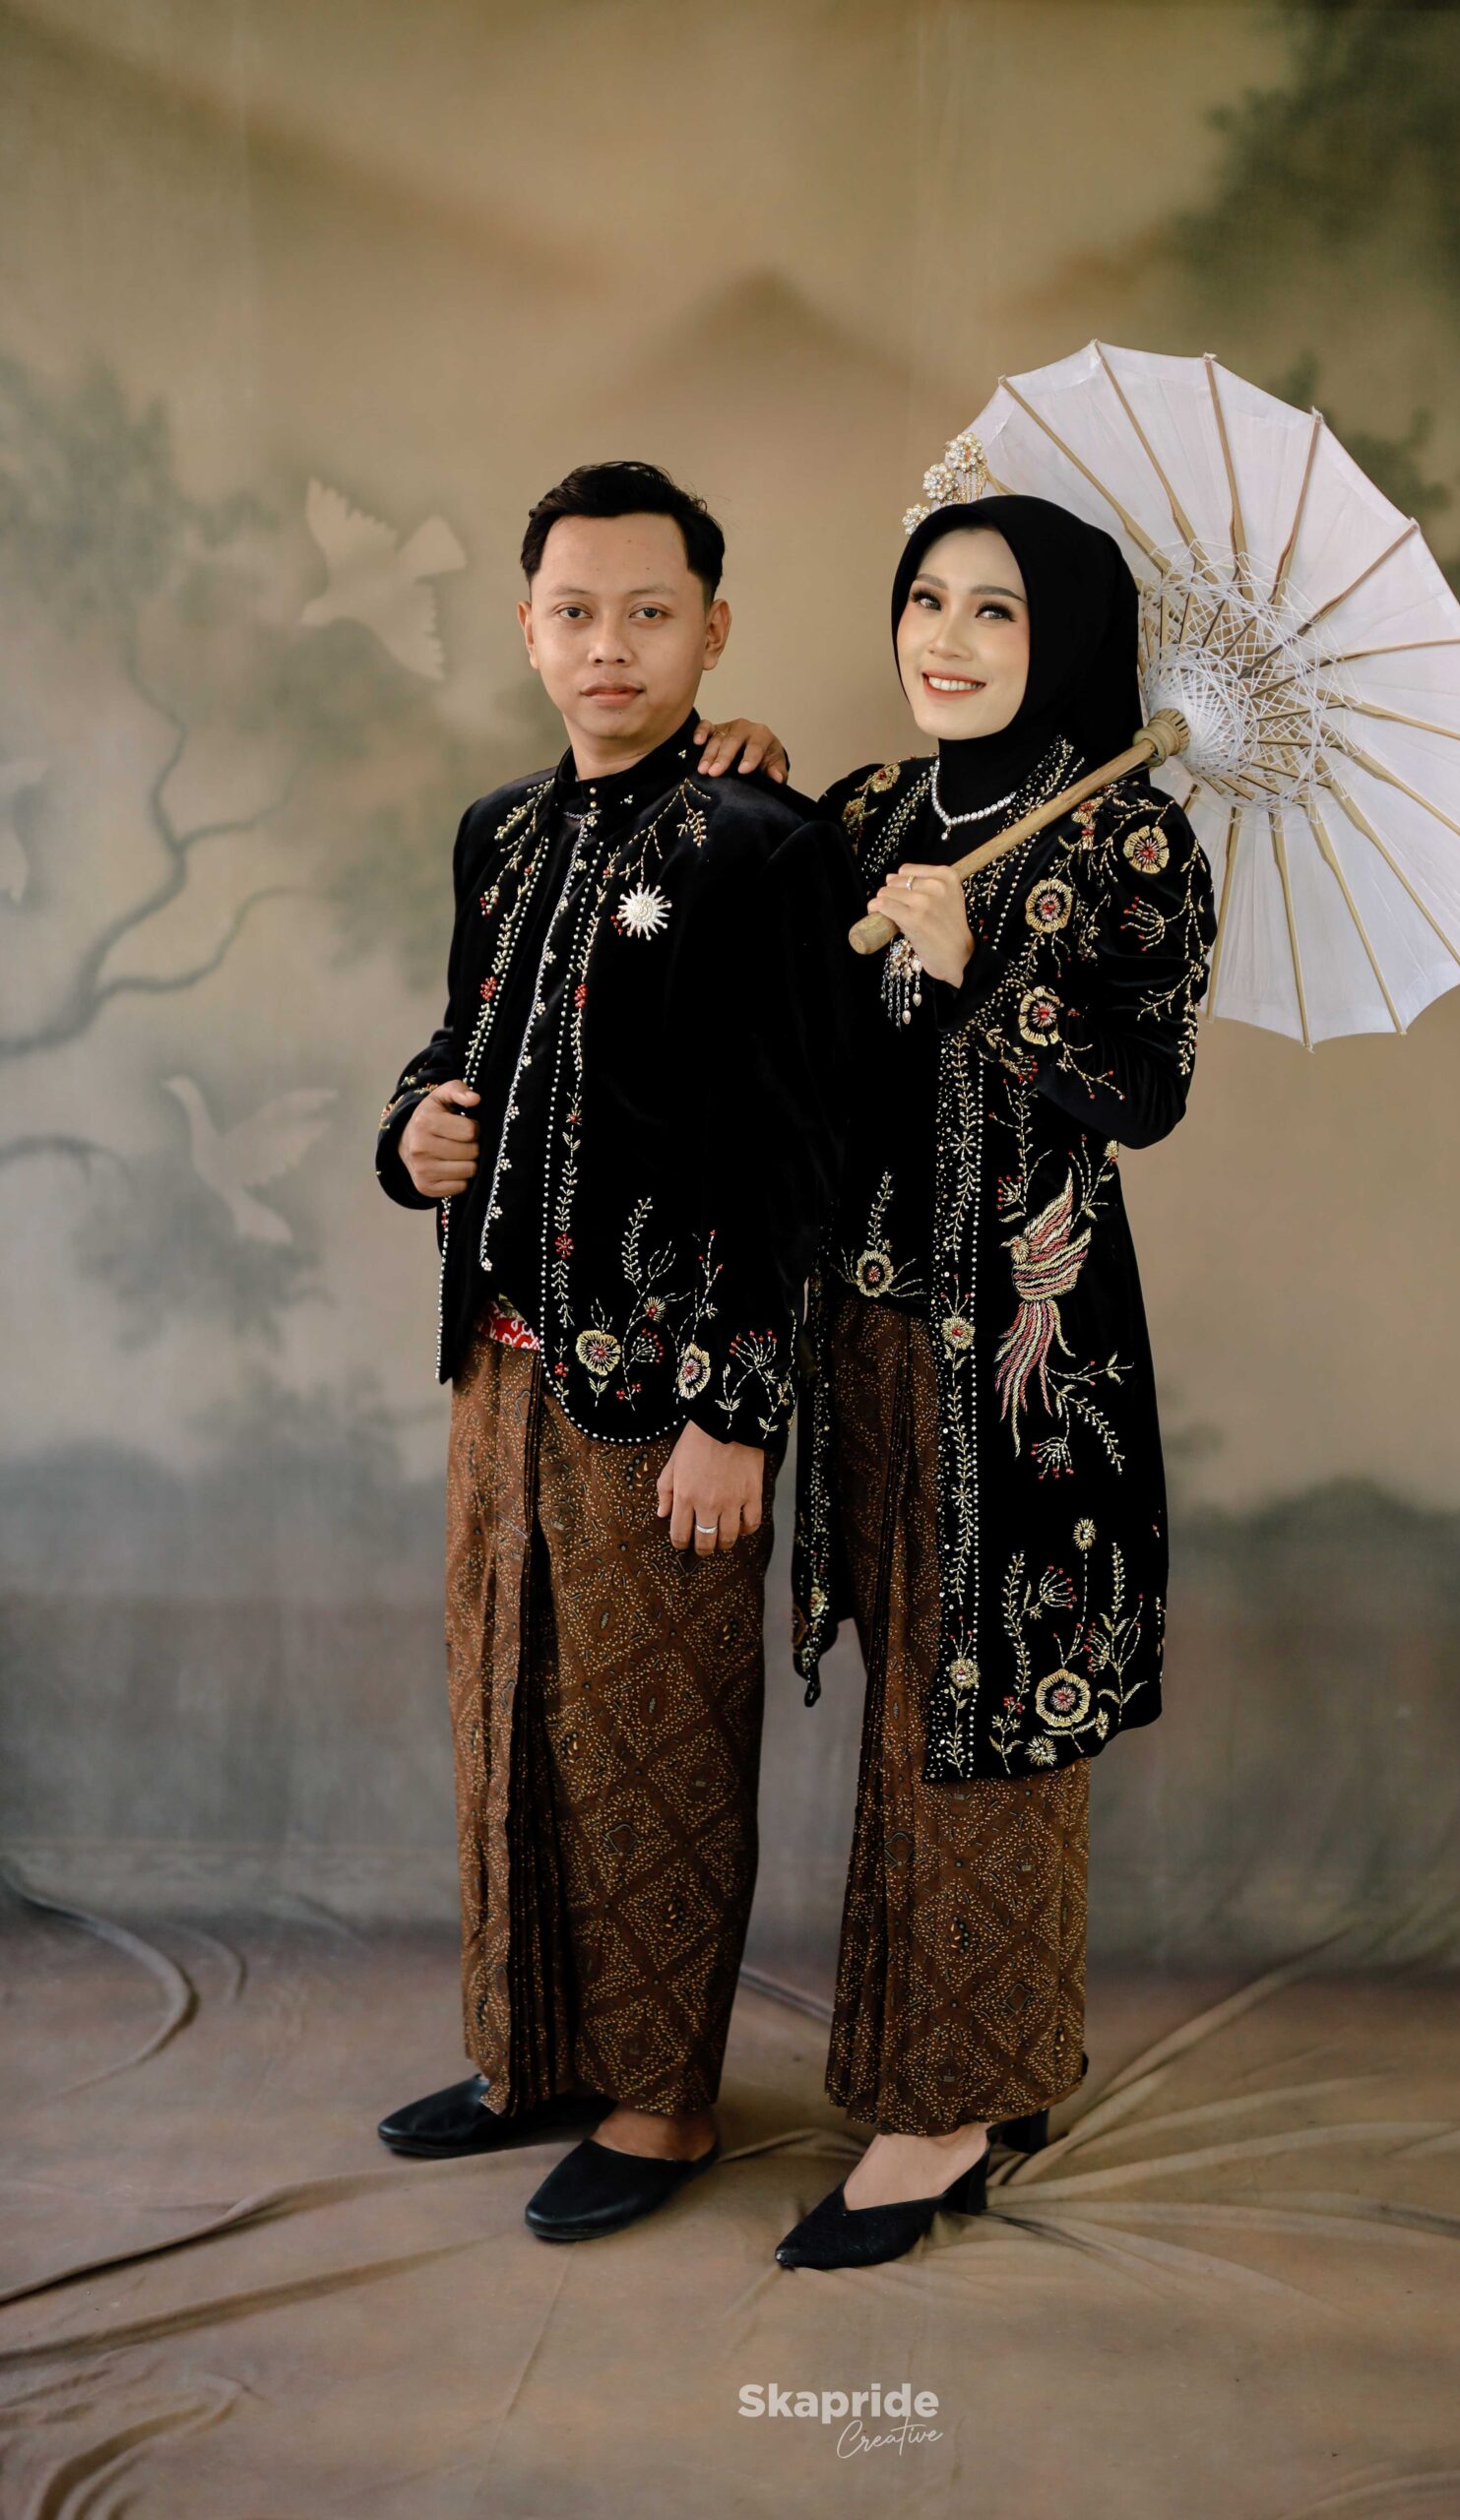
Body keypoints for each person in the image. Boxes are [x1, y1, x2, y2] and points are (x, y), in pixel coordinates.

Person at [372, 460, 857, 2243]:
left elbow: (798, 1154)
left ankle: (662, 2102)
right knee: (508, 1715)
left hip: (665, 1388)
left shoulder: (764, 846)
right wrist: (409, 1130)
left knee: (654, 1740)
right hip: (498, 1366)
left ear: (712, 630)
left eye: (650, 613)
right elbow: (457, 1041)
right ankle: (532, 2056)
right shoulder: (496, 833)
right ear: (526, 630)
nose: (610, 646)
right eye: (575, 612)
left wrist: (740, 1407)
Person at [778, 489, 1216, 2270]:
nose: (946, 640)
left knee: (995, 1704)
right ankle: (983, 2057)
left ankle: (947, 2112)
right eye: (928, 598)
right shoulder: (869, 816)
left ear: (1072, 644)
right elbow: (778, 1010)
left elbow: (1148, 1095)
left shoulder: (1127, 840)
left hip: (1027, 1366)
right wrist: (745, 777)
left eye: (999, 612)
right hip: (868, 1342)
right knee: (911, 1702)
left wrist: (990, 979)